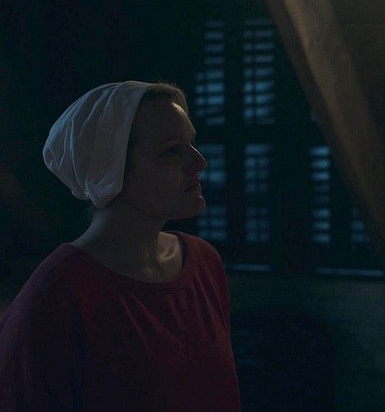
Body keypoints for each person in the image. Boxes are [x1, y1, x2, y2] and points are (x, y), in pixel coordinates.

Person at [0, 81, 241, 411]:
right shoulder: (60, 291)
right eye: (171, 151)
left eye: (192, 143)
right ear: (110, 168)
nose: (199, 162)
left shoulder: (203, 263)